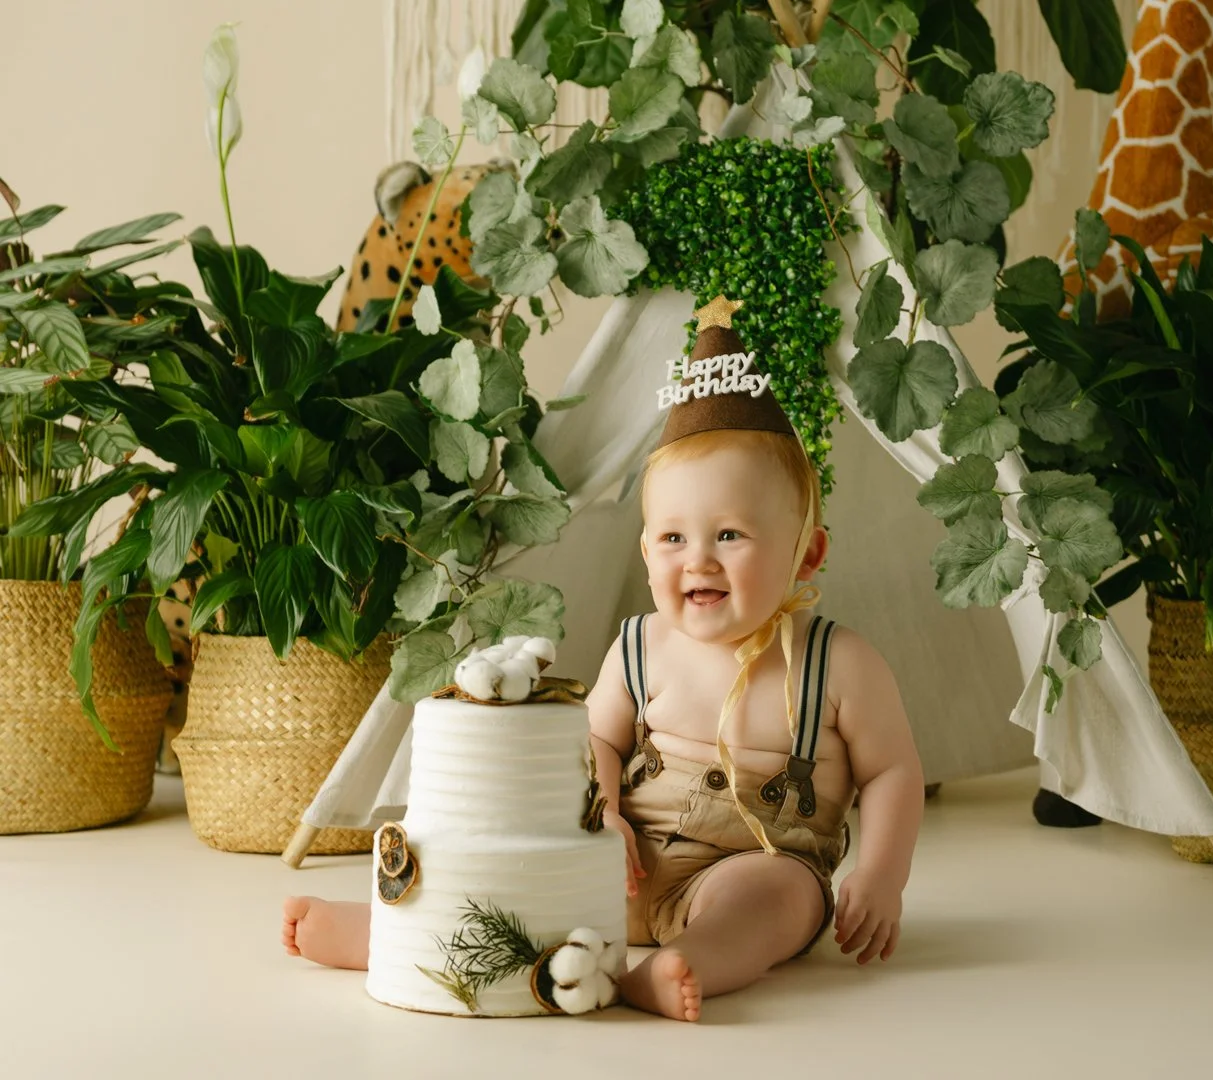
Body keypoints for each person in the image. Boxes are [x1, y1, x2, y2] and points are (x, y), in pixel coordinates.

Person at [283, 295, 926, 1022]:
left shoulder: (837, 661)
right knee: (521, 886)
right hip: (623, 862)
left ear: (806, 553)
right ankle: (393, 934)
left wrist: (880, 873)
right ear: (647, 551)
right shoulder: (640, 647)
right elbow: (593, 742)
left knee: (769, 904)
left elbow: (892, 771)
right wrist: (607, 811)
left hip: (756, 861)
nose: (699, 562)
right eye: (674, 539)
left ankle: (689, 966)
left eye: (731, 536)